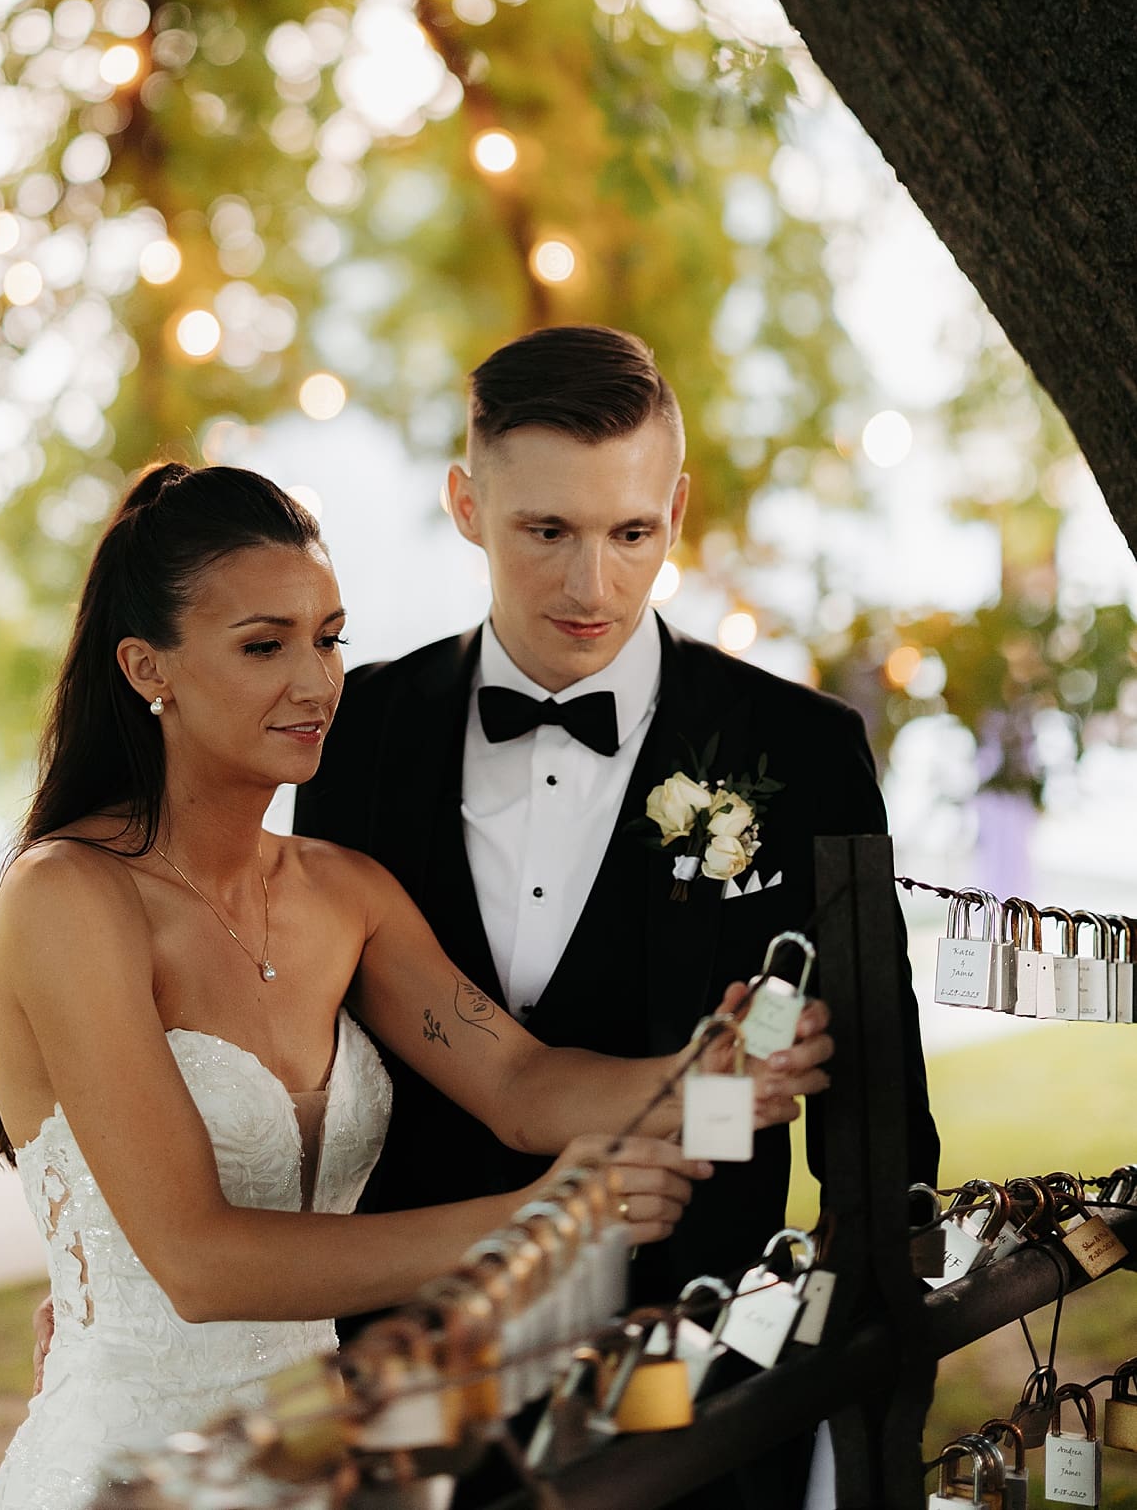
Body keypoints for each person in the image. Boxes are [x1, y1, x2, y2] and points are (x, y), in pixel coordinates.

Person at [0, 459, 833, 1510]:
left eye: (328, 638)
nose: (316, 681)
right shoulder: (69, 901)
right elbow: (196, 1263)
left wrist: (711, 1077)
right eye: (264, 646)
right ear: (148, 667)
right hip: (132, 1472)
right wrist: (548, 1221)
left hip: (324, 1468)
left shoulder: (344, 895)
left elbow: (520, 1087)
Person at [294, 324, 938, 1506]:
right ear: (466, 503)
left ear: (677, 510)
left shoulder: (802, 751)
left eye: (630, 532)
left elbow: (884, 1108)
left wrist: (872, 1387)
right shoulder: (351, 734)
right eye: (547, 531)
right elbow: (294, 1039)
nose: (593, 585)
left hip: (705, 1375)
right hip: (418, 1370)